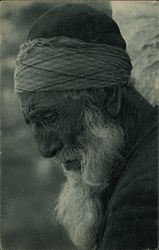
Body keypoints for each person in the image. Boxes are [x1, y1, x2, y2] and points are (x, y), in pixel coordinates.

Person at [14, 4, 158, 250]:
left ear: (109, 96)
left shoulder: (140, 200)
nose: (45, 149)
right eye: (34, 123)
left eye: (48, 117)